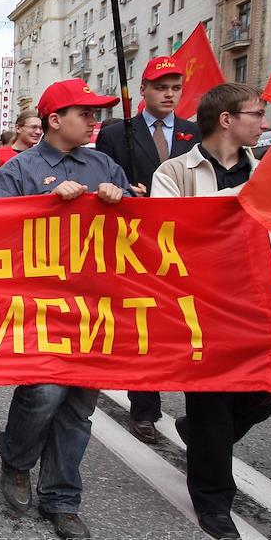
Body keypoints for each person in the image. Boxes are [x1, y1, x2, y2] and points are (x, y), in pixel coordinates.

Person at [152, 83, 271, 540]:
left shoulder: (266, 179)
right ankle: (214, 500)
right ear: (226, 120)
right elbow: (173, 233)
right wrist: (244, 198)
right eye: (255, 114)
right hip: (201, 308)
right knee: (214, 402)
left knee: (264, 394)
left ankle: (198, 434)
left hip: (258, 306)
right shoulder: (174, 173)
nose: (263, 122)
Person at [0, 78, 131, 540]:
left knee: (79, 404)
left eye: (96, 114)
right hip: (39, 307)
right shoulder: (19, 170)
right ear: (55, 120)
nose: (94, 121)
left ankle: (62, 498)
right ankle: (16, 459)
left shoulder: (105, 165)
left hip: (94, 307)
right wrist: (47, 207)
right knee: (45, 392)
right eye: (85, 113)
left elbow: (142, 227)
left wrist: (121, 200)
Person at [96, 56, 201, 444]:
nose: (169, 94)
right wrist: (126, 193)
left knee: (185, 324)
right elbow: (107, 180)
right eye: (161, 87)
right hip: (134, 243)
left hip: (181, 244)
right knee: (144, 324)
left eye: (175, 88)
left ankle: (199, 411)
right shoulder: (116, 134)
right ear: (143, 90)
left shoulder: (194, 133)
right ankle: (144, 408)